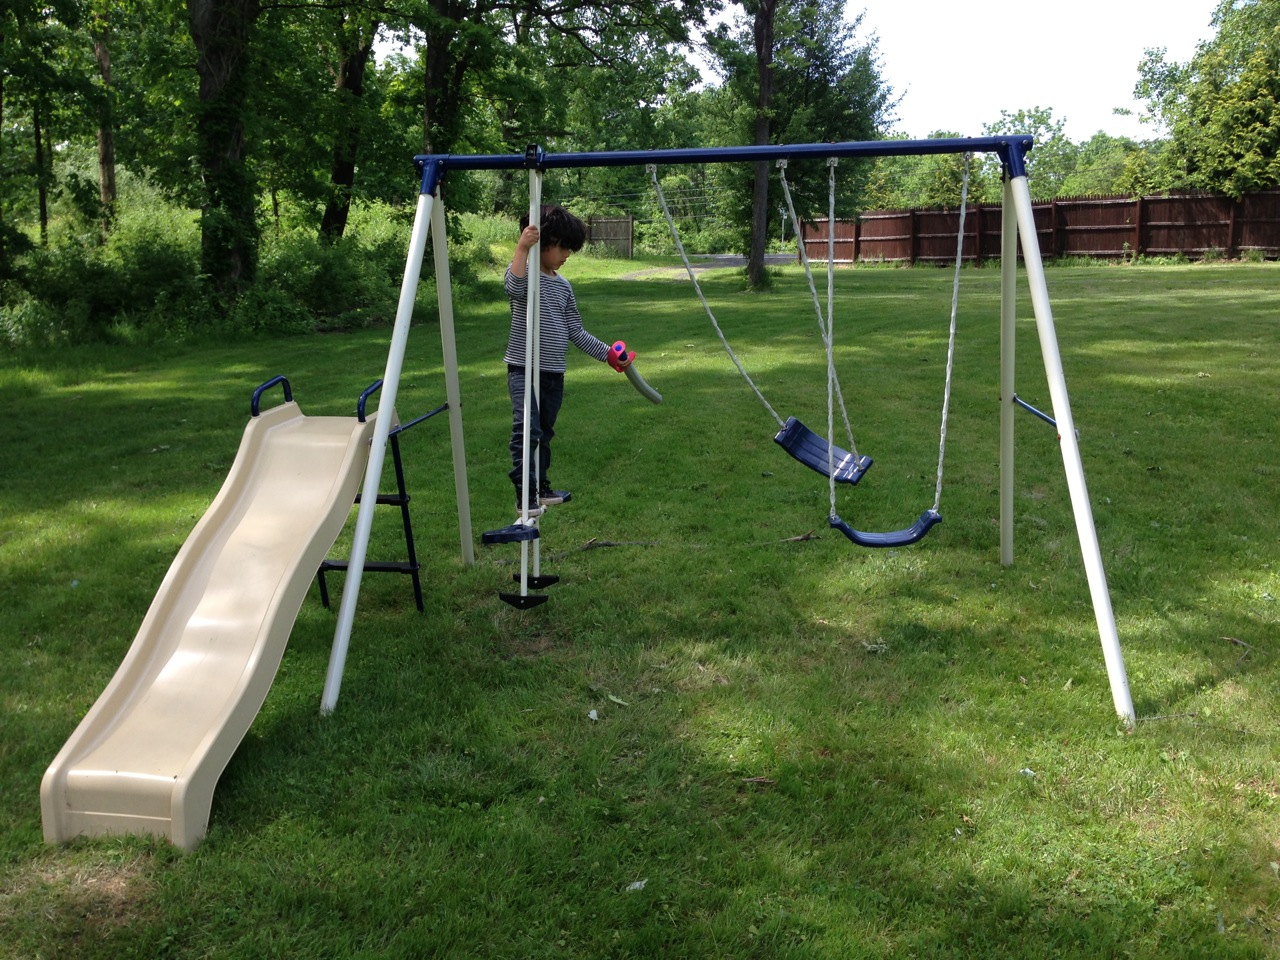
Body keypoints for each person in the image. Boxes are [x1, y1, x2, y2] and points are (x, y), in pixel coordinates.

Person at [503, 204, 630, 516]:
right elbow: (512, 288)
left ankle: (541, 486)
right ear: (543, 242)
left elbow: (576, 330)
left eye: (570, 249)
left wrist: (608, 355)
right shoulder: (524, 274)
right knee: (527, 430)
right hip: (524, 369)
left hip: (553, 373)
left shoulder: (563, 286)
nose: (567, 255)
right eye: (562, 247)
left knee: (544, 432)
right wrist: (522, 248)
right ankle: (524, 492)